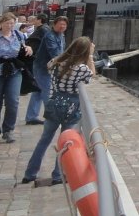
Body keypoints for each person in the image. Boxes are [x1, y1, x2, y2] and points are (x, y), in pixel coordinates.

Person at [21, 36, 95, 185]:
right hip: (71, 107)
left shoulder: (55, 62)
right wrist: (91, 56)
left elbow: (50, 67)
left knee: (44, 139)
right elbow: (91, 75)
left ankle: (30, 173)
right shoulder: (82, 68)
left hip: (54, 103)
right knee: (65, 141)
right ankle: (57, 175)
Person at [24, 15, 67, 125]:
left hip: (50, 68)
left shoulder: (61, 35)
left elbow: (63, 51)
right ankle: (52, 118)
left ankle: (31, 117)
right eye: (60, 24)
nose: (62, 26)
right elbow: (55, 53)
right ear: (54, 24)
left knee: (38, 91)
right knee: (47, 92)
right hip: (42, 68)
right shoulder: (50, 36)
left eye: (64, 24)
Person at [0, 12, 33, 143]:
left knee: (13, 101)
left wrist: (28, 48)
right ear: (1, 23)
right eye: (7, 23)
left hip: (14, 71)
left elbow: (24, 47)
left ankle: (8, 130)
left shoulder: (18, 35)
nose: (9, 26)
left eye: (12, 23)